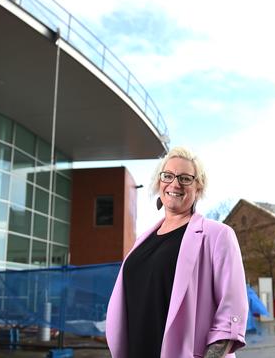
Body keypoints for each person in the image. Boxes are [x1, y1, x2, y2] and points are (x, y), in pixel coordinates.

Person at [105, 147, 248, 358]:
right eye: (168, 176)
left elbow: (232, 311)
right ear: (159, 182)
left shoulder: (217, 235)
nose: (175, 183)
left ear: (198, 187)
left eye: (185, 178)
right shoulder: (142, 240)